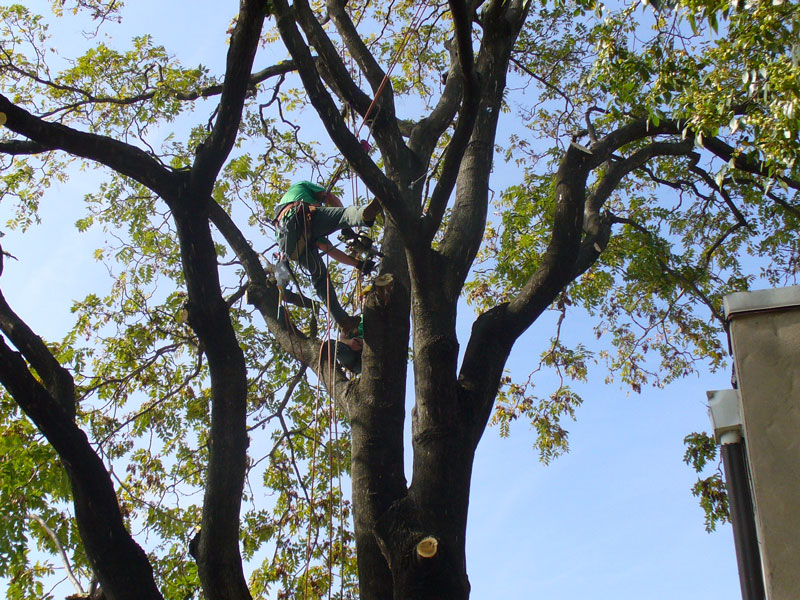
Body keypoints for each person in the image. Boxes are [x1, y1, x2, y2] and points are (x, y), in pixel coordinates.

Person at [274, 180, 380, 333]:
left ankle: (343, 320)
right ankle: (363, 215)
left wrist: (358, 264)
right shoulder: (302, 186)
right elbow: (330, 197)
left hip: (290, 245)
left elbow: (328, 248)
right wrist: (346, 227)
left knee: (321, 279)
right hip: (298, 215)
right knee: (345, 214)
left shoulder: (290, 210)